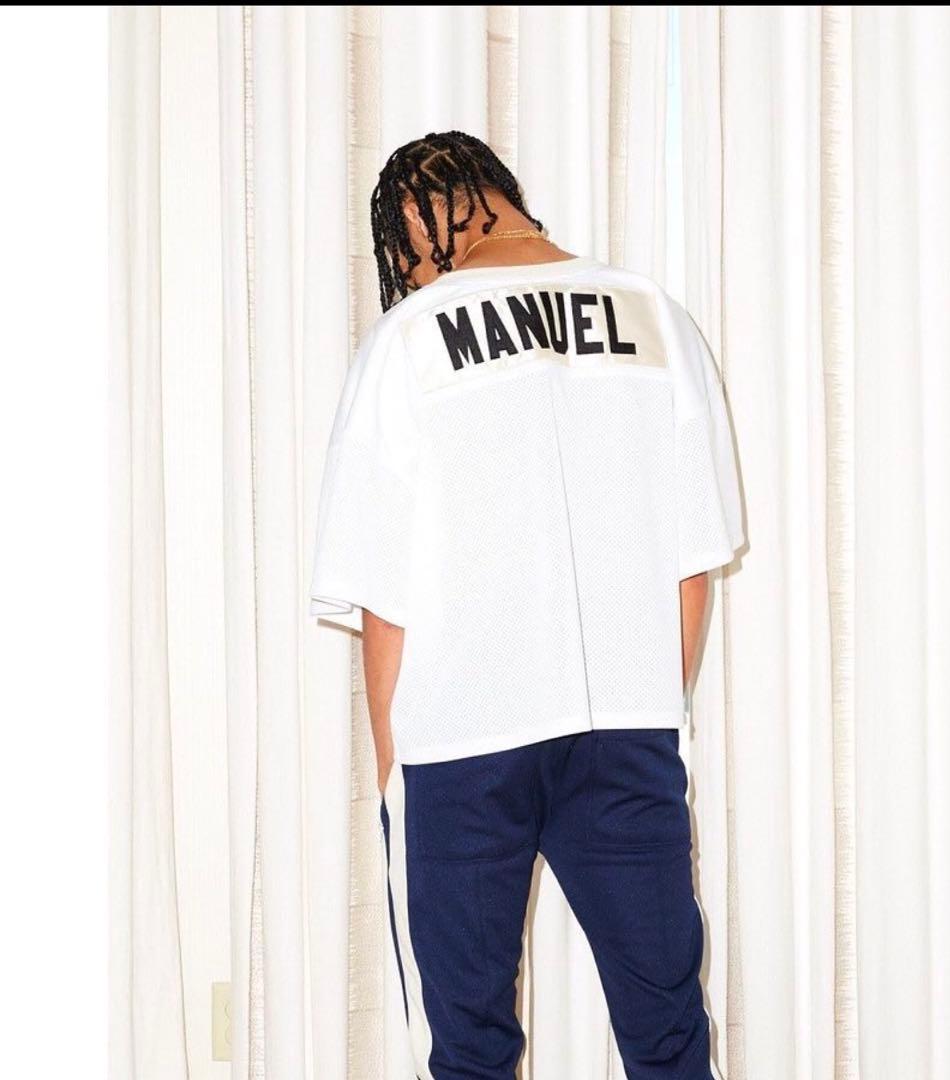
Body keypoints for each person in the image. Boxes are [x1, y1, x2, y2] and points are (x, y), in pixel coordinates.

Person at [308, 130, 744, 1080]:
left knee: (467, 1049)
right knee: (669, 1033)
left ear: (424, 220)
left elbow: (385, 599)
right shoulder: (657, 320)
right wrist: (648, 712)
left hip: (460, 745)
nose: (411, 276)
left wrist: (393, 776)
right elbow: (692, 565)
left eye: (405, 256)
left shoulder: (408, 341)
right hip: (624, 729)